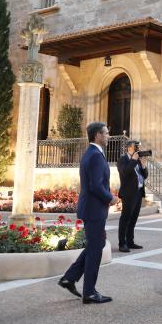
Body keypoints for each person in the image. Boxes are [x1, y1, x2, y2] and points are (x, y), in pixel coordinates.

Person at [58, 122, 114, 304]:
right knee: (95, 249)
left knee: (95, 245)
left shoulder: (92, 153)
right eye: (106, 133)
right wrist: (110, 197)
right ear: (97, 135)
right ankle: (89, 292)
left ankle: (69, 277)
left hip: (92, 208)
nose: (108, 136)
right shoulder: (95, 156)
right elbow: (96, 185)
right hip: (94, 209)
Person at [116, 140, 148, 252]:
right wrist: (134, 160)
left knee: (133, 218)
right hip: (129, 194)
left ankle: (130, 241)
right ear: (129, 148)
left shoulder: (138, 160)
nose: (138, 149)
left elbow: (145, 176)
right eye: (136, 147)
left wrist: (144, 166)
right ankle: (122, 243)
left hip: (138, 192)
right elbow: (125, 172)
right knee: (126, 219)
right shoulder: (122, 160)